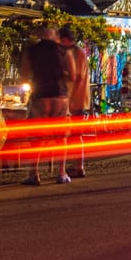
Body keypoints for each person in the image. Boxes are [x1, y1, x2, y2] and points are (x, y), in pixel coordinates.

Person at [19, 27, 75, 185]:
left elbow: (24, 72)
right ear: (54, 36)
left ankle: (34, 173)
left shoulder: (31, 50)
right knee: (61, 137)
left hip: (40, 97)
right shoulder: (64, 51)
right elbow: (73, 75)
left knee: (37, 138)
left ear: (40, 35)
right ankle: (62, 173)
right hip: (60, 97)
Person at [58, 26, 90, 179]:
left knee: (75, 135)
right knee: (73, 136)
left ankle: (78, 166)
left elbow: (75, 75)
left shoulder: (77, 53)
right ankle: (77, 165)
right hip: (75, 99)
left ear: (64, 39)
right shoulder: (76, 52)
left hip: (76, 99)